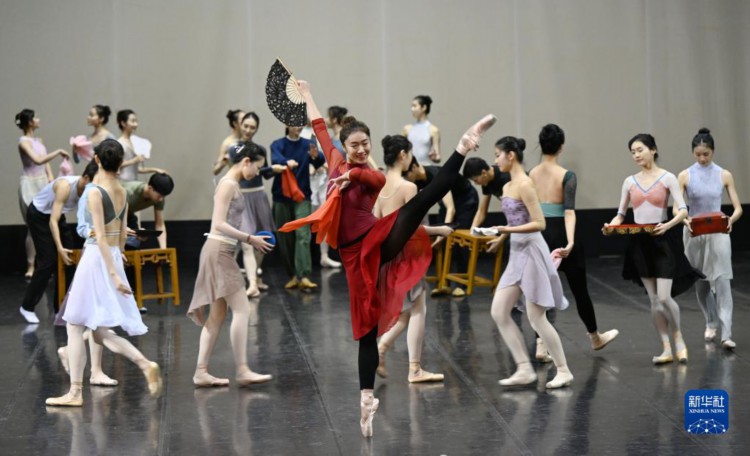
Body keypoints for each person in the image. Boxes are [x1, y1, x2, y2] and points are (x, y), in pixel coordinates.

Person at [281, 79, 495, 437]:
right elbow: (319, 126)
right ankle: (366, 402)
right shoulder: (335, 159)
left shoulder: (371, 174)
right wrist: (307, 96)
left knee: (423, 199)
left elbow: (372, 180)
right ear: (343, 146)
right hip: (353, 257)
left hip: (376, 238)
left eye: (365, 143)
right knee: (366, 330)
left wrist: (351, 175)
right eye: (354, 145)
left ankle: (464, 144)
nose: (361, 149)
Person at [47, 139, 162, 407]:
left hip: (97, 259)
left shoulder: (94, 192)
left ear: (97, 159)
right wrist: (118, 259)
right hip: (112, 256)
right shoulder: (122, 191)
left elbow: (98, 236)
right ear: (120, 163)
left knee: (75, 324)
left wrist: (112, 274)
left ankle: (76, 392)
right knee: (98, 329)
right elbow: (120, 234)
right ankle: (144, 364)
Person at [604, 133, 702, 364]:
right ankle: (666, 347)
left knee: (665, 297)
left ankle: (678, 337)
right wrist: (611, 226)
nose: (636, 155)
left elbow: (683, 210)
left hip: (662, 240)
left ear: (653, 149)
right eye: (633, 152)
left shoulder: (667, 178)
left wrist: (667, 225)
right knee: (654, 300)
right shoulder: (629, 182)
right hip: (640, 243)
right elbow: (620, 214)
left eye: (640, 150)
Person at [485, 136, 573, 389]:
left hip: (532, 251)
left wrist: (506, 231)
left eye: (498, 155)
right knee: (499, 311)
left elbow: (539, 223)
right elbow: (514, 221)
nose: (495, 160)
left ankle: (563, 370)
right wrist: (501, 237)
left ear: (510, 155)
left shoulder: (525, 184)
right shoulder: (507, 186)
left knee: (537, 317)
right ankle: (524, 368)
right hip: (517, 252)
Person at [187, 141, 274, 387]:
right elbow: (218, 223)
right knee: (242, 309)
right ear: (246, 162)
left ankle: (201, 372)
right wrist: (249, 238)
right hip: (219, 252)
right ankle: (242, 370)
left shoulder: (232, 184)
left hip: (220, 251)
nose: (257, 172)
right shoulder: (227, 185)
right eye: (257, 167)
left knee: (217, 315)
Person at [529, 124, 619, 351]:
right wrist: (570, 242)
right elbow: (569, 211)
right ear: (561, 147)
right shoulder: (567, 176)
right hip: (562, 232)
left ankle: (540, 345)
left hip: (539, 234)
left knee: (540, 291)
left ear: (541, 145)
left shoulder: (531, 174)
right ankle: (595, 337)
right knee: (580, 291)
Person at [373, 134, 452, 383]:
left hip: (389, 256)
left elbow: (379, 224)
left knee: (405, 312)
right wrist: (440, 229)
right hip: (407, 256)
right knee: (418, 308)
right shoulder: (408, 187)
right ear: (402, 155)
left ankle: (382, 348)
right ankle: (414, 368)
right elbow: (412, 228)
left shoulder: (380, 187)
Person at [678, 128, 742, 350]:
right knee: (701, 283)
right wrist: (684, 219)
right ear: (693, 153)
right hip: (695, 231)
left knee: (722, 280)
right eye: (698, 154)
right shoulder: (685, 175)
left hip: (718, 230)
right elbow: (678, 207)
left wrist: (731, 219)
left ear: (713, 152)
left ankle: (727, 334)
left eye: (706, 154)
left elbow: (738, 208)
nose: (702, 158)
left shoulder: (724, 174)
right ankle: (711, 321)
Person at [19, 161, 98, 323]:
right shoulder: (65, 186)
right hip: (39, 215)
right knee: (48, 261)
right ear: (85, 178)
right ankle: (27, 306)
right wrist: (60, 248)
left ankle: (60, 309)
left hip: (57, 216)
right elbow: (52, 221)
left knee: (69, 260)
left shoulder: (91, 192)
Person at [404, 158, 479, 297]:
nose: (405, 178)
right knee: (440, 244)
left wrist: (441, 233)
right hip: (446, 205)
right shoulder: (416, 182)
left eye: (406, 174)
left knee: (459, 241)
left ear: (414, 167)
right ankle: (444, 284)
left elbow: (451, 209)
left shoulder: (436, 175)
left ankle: (461, 285)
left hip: (465, 200)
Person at [16, 109, 71, 279]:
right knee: (32, 226)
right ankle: (31, 265)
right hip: (29, 184)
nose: (38, 120)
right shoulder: (23, 142)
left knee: (49, 223)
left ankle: (47, 264)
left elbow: (45, 163)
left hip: (42, 183)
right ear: (29, 122)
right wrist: (58, 151)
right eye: (35, 118)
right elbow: (38, 160)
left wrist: (51, 179)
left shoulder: (39, 141)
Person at [271, 125, 326, 290]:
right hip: (281, 197)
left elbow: (319, 160)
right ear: (287, 124)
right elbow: (275, 159)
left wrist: (316, 156)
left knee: (303, 235)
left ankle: (304, 275)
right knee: (285, 237)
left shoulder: (307, 144)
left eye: (301, 122)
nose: (299, 126)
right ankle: (293, 275)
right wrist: (286, 162)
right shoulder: (278, 144)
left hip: (302, 197)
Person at [236, 112, 284, 296]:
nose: (249, 130)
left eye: (253, 127)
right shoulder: (235, 148)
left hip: (259, 196)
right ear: (240, 125)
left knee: (263, 240)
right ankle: (252, 284)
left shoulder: (260, 149)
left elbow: (265, 174)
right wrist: (270, 168)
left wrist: (276, 169)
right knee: (247, 243)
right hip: (242, 197)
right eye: (246, 126)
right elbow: (243, 172)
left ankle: (254, 278)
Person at [122, 172, 175, 250]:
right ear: (150, 188)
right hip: (111, 215)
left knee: (135, 242)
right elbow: (117, 218)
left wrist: (163, 250)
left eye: (164, 196)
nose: (161, 199)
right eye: (159, 196)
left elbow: (160, 224)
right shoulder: (129, 192)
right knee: (126, 241)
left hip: (128, 215)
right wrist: (124, 229)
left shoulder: (159, 198)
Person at [462, 157, 511, 228]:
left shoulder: (505, 177)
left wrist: (505, 233)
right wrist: (473, 229)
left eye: (475, 180)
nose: (476, 184)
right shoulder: (486, 181)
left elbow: (516, 208)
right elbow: (482, 211)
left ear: (484, 173)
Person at [116, 109, 162, 181]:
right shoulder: (119, 143)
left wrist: (155, 169)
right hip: (122, 182)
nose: (136, 124)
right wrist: (134, 160)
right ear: (123, 123)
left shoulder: (134, 141)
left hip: (133, 182)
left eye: (136, 121)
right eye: (133, 121)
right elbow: (115, 165)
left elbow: (134, 168)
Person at [402, 95, 441, 165]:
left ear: (424, 107)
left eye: (414, 106)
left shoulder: (433, 130)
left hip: (425, 168)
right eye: (412, 106)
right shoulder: (407, 129)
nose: (412, 109)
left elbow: (437, 156)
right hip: (410, 168)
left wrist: (435, 157)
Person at [213, 109, 245, 176]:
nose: (245, 122)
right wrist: (224, 161)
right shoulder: (227, 143)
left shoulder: (247, 138)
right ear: (235, 123)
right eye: (243, 120)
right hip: (236, 179)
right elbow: (215, 171)